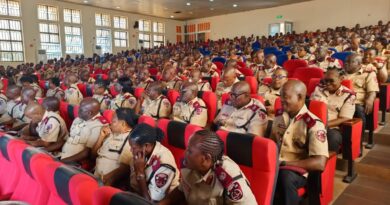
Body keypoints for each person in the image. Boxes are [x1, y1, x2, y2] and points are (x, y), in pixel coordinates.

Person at [159, 130, 257, 205]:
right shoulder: (189, 165)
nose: (184, 154)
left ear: (205, 159)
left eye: (190, 151)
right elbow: (181, 190)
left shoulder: (229, 179)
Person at [271, 80, 328, 205]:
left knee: (285, 177)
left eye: (285, 97)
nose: (281, 100)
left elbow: (320, 163)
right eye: (280, 96)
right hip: (276, 164)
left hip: (299, 170)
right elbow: (271, 144)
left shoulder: (313, 124)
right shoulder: (279, 115)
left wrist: (285, 163)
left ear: (300, 97)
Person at [120, 123, 180, 202]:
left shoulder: (164, 163)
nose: (131, 150)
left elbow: (150, 202)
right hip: (136, 196)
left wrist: (140, 173)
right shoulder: (141, 154)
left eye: (133, 148)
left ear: (146, 146)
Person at [310, 67, 356, 151]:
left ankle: (327, 162)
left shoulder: (348, 95)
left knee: (333, 138)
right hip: (311, 123)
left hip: (330, 126)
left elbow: (344, 118)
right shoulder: (318, 89)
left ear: (341, 79)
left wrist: (323, 125)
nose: (327, 83)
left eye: (331, 81)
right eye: (325, 80)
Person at [344, 54, 379, 148]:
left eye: (349, 62)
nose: (346, 64)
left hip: (356, 103)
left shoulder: (368, 73)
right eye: (345, 61)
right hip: (339, 101)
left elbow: (372, 91)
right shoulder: (339, 73)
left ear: (359, 64)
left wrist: (370, 99)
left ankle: (358, 143)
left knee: (359, 111)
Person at [60, 98, 108, 165]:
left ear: (89, 113)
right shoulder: (79, 118)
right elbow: (69, 138)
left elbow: (87, 153)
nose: (77, 110)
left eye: (81, 109)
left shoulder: (99, 126)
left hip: (76, 163)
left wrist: (61, 162)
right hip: (63, 155)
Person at [92, 108, 136, 179]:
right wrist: (101, 137)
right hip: (95, 174)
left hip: (106, 179)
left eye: (113, 121)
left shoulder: (130, 139)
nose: (110, 123)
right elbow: (92, 156)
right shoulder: (110, 133)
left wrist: (104, 180)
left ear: (123, 124)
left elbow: (124, 169)